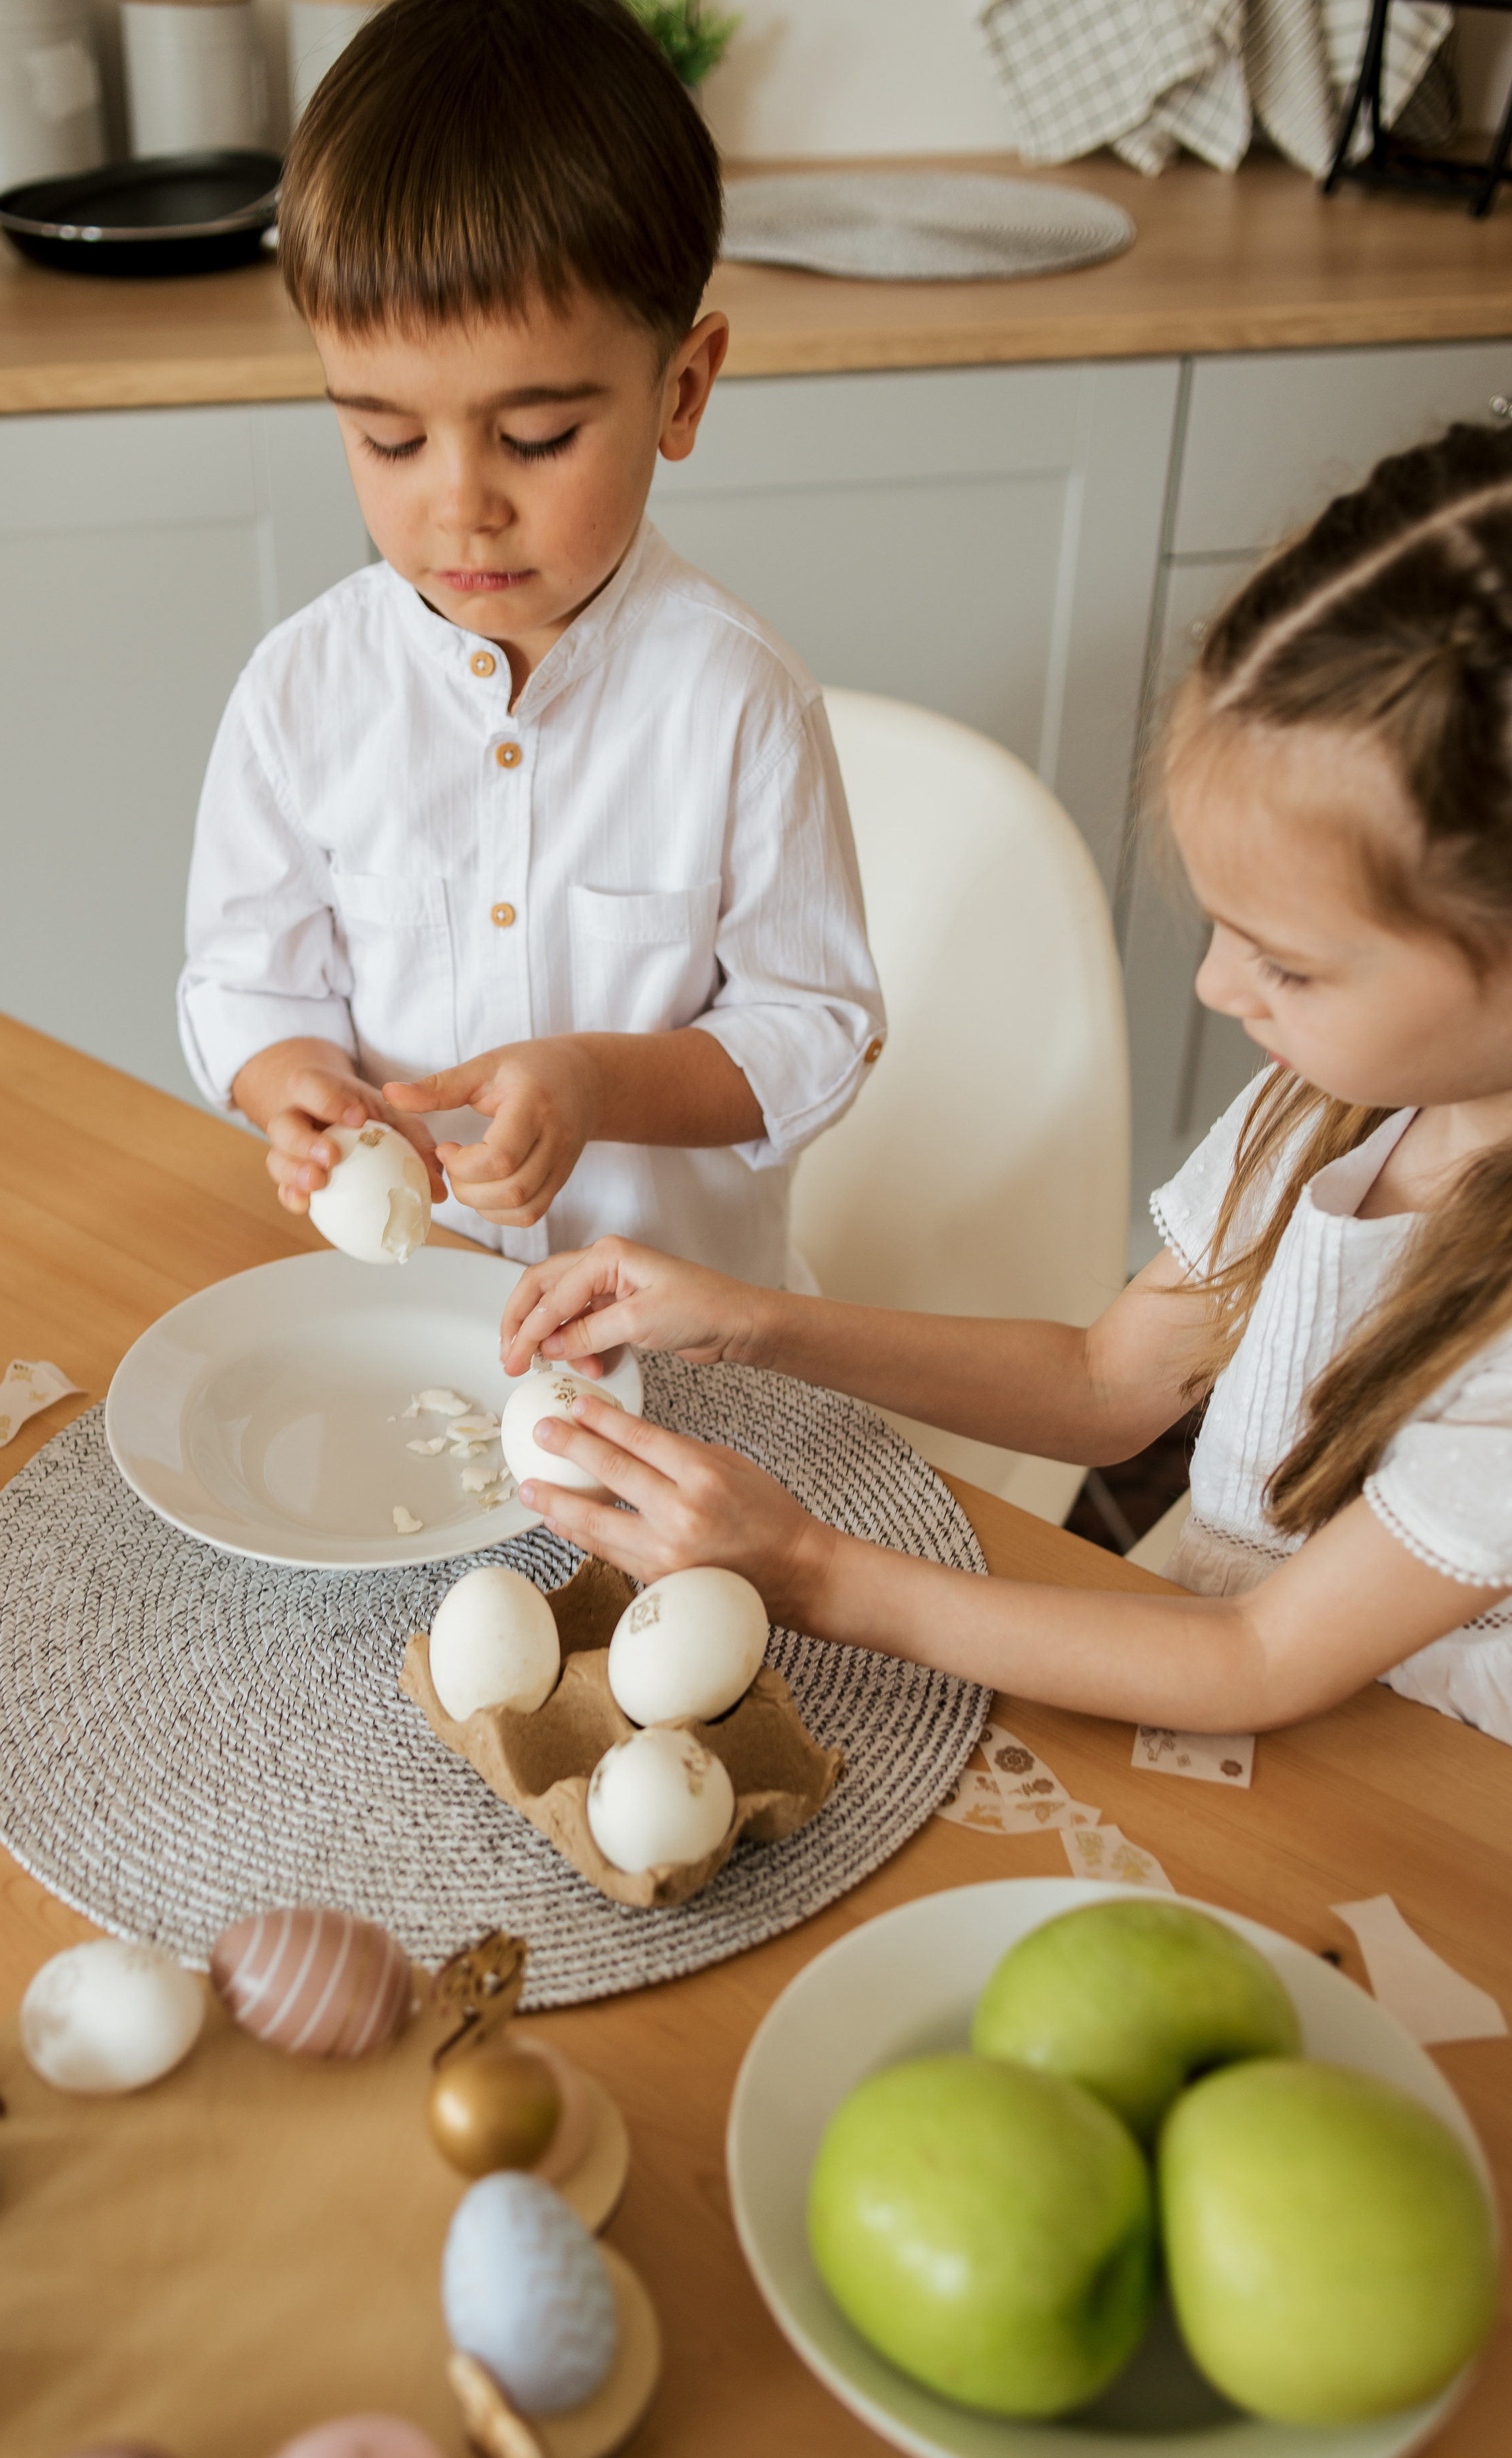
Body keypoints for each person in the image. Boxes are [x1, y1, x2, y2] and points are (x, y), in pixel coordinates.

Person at [499, 423, 1512, 1744]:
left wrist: (807, 1570)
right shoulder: (1335, 1100)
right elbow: (1107, 1388)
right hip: (1226, 1704)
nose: (1213, 989)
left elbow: (1257, 1661)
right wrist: (744, 1321)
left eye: (1286, 964)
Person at [177, 0, 883, 1289]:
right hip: (407, 1315)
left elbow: (817, 1032)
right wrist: (296, 1088)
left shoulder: (737, 700)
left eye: (539, 437)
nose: (459, 504)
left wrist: (598, 1080)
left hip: (678, 1339)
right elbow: (244, 985)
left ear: (682, 391)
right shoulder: (301, 692)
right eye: (388, 440)